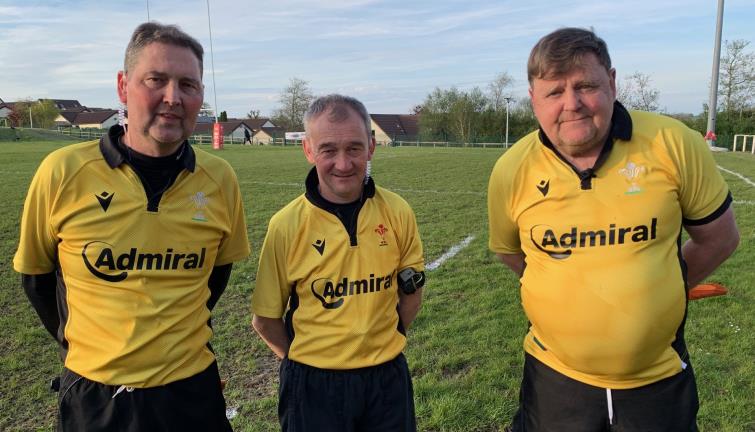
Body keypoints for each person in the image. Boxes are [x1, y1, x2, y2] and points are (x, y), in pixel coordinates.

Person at [487, 27, 739, 431]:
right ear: (533, 99)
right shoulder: (511, 169)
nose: (572, 104)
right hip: (554, 379)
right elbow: (511, 253)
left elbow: (720, 239)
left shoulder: (673, 143)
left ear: (613, 82)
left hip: (656, 379)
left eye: (585, 85)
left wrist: (659, 286)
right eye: (554, 92)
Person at [13, 22, 250, 431]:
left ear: (201, 96)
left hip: (192, 391)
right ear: (123, 86)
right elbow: (36, 279)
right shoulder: (63, 172)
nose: (173, 98)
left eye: (188, 85)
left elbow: (216, 276)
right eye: (156, 80)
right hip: (96, 395)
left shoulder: (220, 179)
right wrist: (94, 349)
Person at [251, 94, 425, 432]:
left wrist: (382, 345)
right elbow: (265, 320)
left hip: (386, 381)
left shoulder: (398, 211)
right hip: (313, 387)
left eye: (354, 149)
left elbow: (411, 295)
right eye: (328, 150)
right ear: (308, 150)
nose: (343, 164)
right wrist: (307, 364)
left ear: (371, 147)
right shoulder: (285, 225)